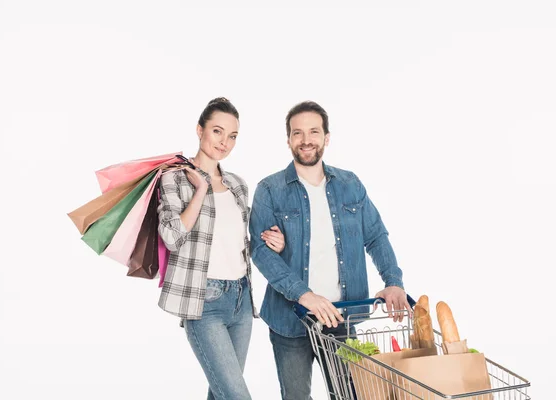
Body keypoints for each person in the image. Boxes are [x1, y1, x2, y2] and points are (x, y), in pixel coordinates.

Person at [248, 100, 411, 400]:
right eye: (298, 133)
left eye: (314, 131)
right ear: (288, 140)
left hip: (341, 316)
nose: (306, 140)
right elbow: (260, 251)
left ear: (326, 137)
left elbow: (375, 236)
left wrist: (393, 282)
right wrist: (304, 295)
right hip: (289, 321)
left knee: (350, 395)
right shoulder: (269, 189)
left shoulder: (350, 184)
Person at [157, 97, 285, 400]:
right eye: (217, 131)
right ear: (200, 130)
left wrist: (272, 242)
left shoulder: (238, 184)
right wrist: (200, 190)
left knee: (221, 394)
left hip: (241, 301)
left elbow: (242, 243)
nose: (224, 142)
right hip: (204, 302)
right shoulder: (174, 178)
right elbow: (172, 237)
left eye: (232, 136)